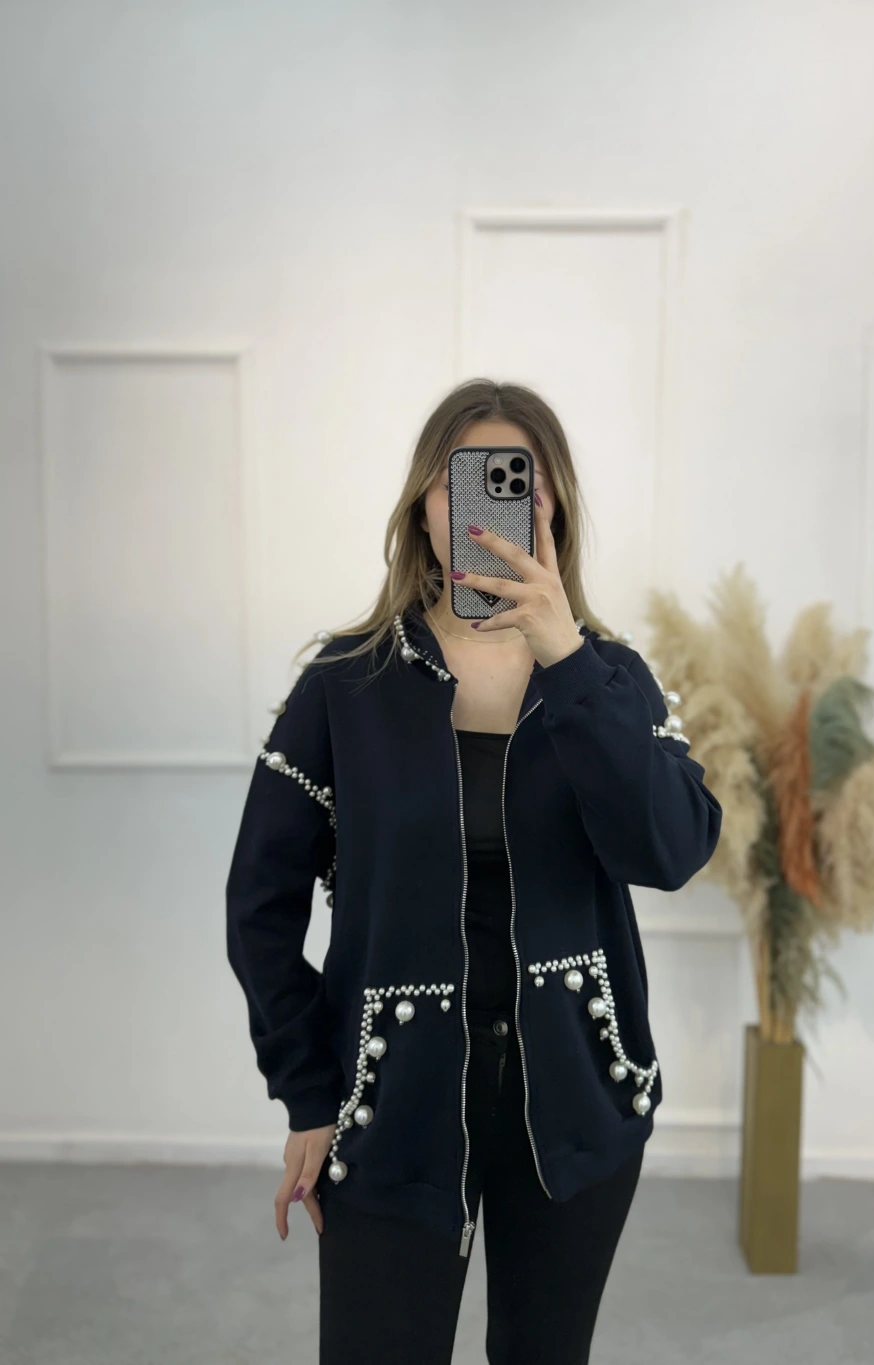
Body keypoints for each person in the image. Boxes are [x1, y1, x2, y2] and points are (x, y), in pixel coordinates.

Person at [225, 377, 723, 1364]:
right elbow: (260, 904)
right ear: (424, 504)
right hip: (390, 1102)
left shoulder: (610, 677)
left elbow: (669, 851)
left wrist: (565, 658)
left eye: (518, 481)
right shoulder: (345, 683)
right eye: (464, 480)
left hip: (577, 1092)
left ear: (555, 505)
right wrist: (308, 1092)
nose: (490, 506)